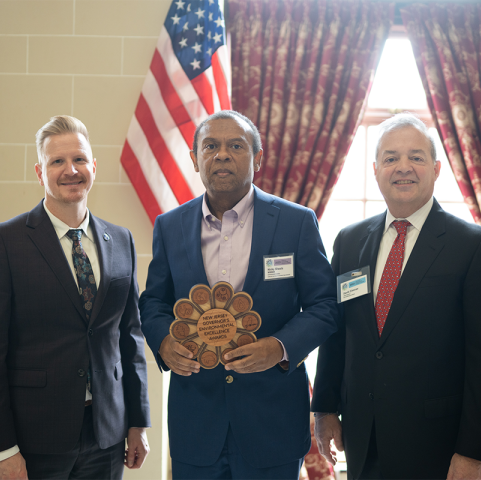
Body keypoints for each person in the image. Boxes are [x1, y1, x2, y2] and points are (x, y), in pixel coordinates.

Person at [311, 113, 481, 480]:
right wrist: (324, 408)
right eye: (391, 158)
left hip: (438, 446)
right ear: (375, 170)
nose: (403, 167)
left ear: (436, 169)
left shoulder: (476, 247)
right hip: (362, 439)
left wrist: (475, 453)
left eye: (416, 157)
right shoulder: (350, 241)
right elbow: (337, 332)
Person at [139, 110, 339, 479]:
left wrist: (278, 346)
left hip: (273, 423)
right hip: (196, 423)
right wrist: (165, 341)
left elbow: (324, 305)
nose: (222, 154)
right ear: (195, 159)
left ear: (258, 157)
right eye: (210, 146)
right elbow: (153, 302)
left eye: (236, 145)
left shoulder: (296, 222)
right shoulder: (170, 226)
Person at [0, 115, 151, 480]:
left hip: (107, 436)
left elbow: (130, 336)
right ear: (39, 171)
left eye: (80, 159)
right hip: (33, 440)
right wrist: (1, 449)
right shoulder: (0, 244)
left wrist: (138, 421)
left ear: (93, 166)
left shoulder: (121, 240)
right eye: (57, 161)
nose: (71, 170)